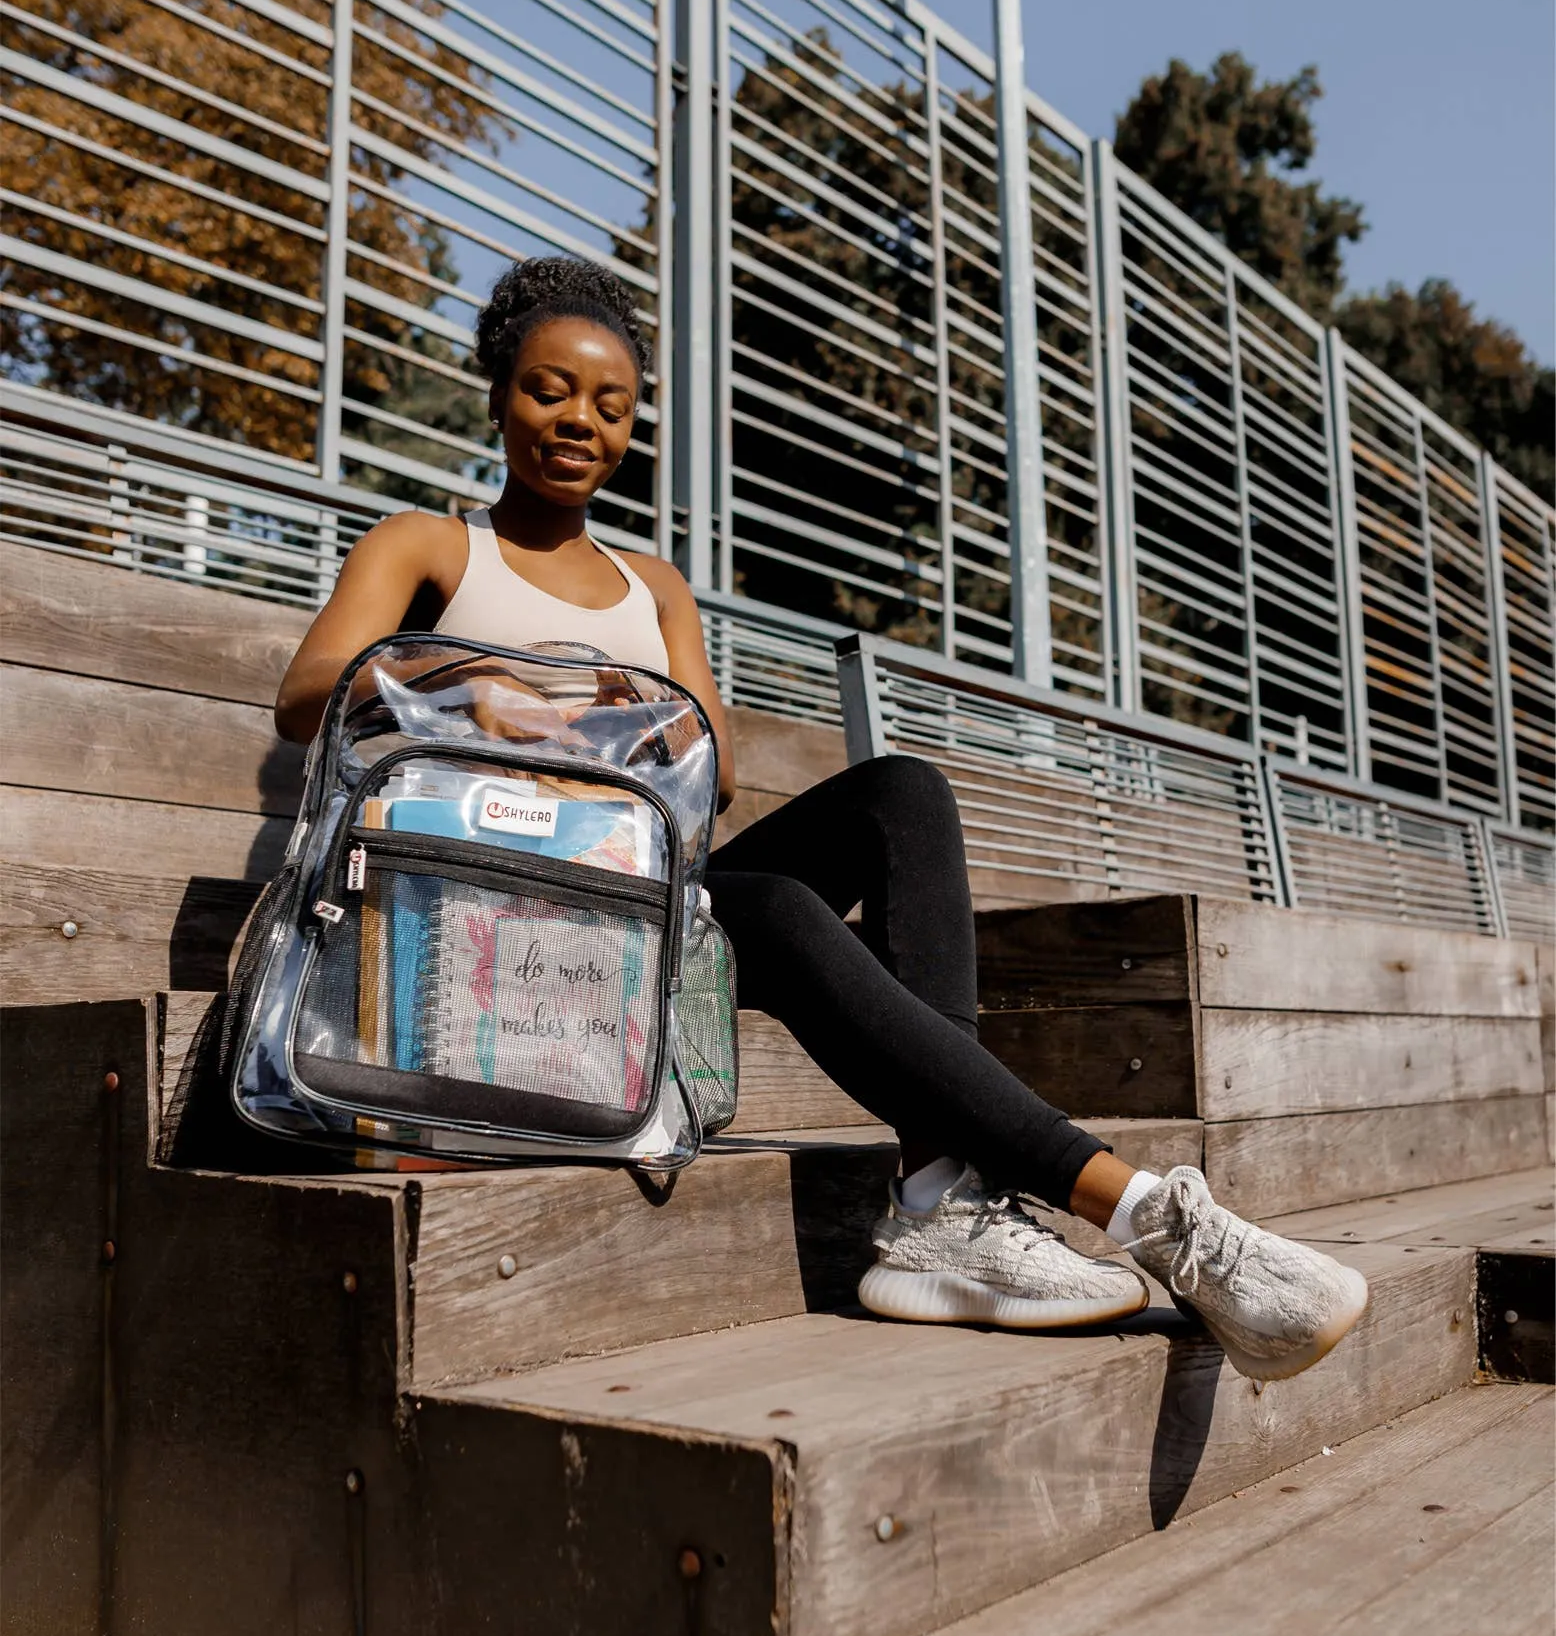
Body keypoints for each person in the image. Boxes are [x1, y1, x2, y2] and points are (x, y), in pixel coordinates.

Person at [276, 256, 1369, 1383]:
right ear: (498, 389)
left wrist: (649, 722)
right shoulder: (429, 546)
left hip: (639, 895)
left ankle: (944, 1195)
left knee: (903, 793)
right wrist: (475, 691)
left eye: (610, 406)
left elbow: (720, 771)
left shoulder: (654, 585)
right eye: (549, 391)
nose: (577, 424)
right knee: (781, 909)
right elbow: (307, 692)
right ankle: (1138, 1210)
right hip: (491, 915)